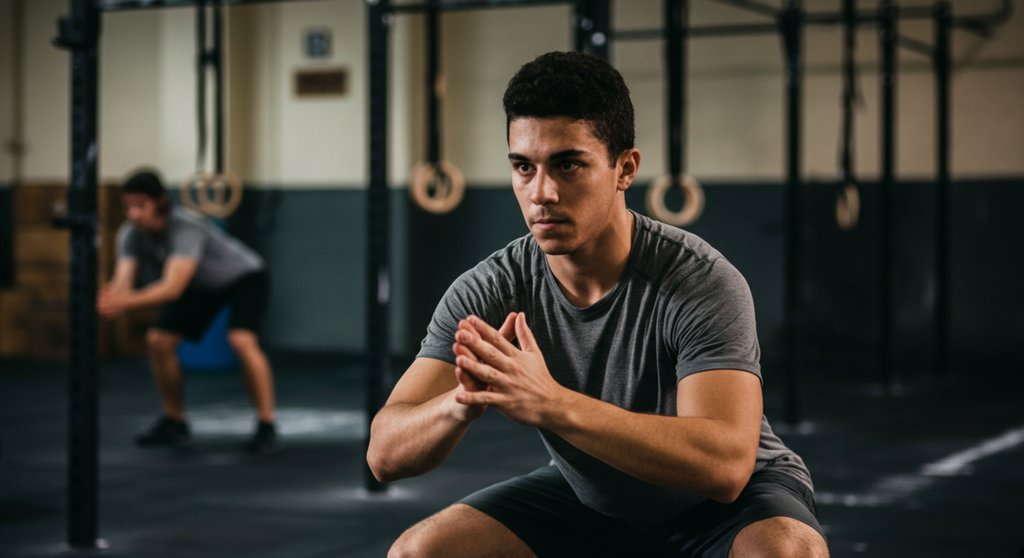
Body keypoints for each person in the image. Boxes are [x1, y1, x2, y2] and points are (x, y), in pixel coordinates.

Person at [367, 52, 828, 557]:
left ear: (624, 168)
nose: (542, 193)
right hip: (595, 498)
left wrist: (552, 403)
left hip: (727, 506)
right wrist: (461, 401)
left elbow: (724, 468)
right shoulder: (493, 289)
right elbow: (384, 455)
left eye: (568, 165)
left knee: (787, 552)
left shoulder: (699, 280)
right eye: (524, 167)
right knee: (419, 553)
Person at [98, 169, 279, 455]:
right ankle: (175, 421)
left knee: (241, 340)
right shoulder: (130, 234)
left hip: (244, 277)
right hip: (200, 285)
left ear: (159, 202)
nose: (133, 214)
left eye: (140, 206)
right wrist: (109, 298)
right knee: (159, 341)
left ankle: (266, 424)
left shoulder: (185, 228)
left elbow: (172, 288)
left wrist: (123, 302)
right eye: (128, 206)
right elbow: (122, 283)